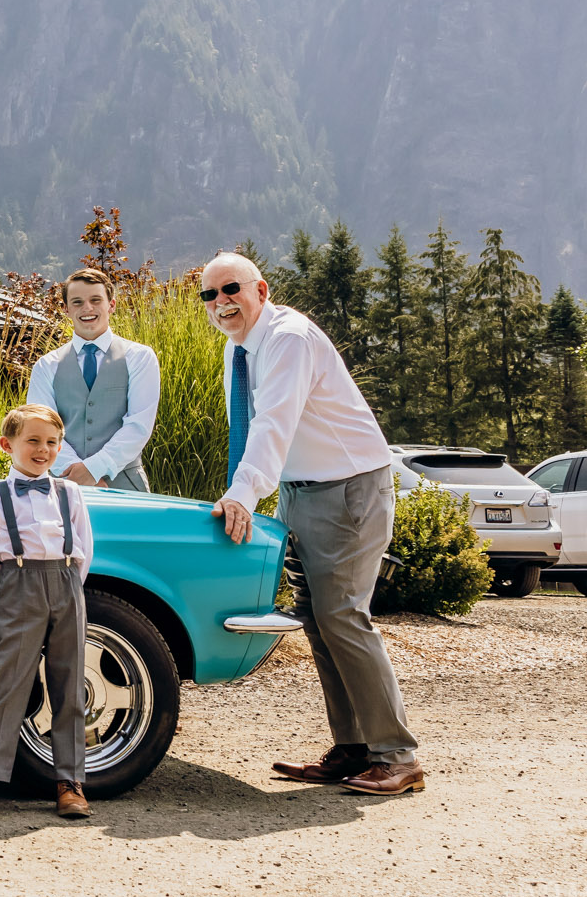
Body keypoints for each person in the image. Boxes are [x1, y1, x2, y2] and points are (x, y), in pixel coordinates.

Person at [204, 252, 424, 797]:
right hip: (302, 491)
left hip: (347, 489)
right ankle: (353, 749)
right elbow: (257, 428)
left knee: (344, 617)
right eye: (209, 296)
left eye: (230, 289)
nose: (220, 302)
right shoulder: (240, 349)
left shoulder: (288, 339)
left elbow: (274, 421)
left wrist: (242, 493)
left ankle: (397, 756)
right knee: (317, 620)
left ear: (261, 288)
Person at [0, 405, 95, 821]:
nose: (43, 450)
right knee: (8, 681)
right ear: (8, 445)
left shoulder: (69, 493)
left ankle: (70, 782)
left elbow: (84, 550)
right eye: (33, 441)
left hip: (65, 583)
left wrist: (68, 587)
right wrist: (9, 598)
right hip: (18, 586)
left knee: (70, 683)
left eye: (51, 443)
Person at [25, 269, 158, 490]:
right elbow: (40, 429)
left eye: (95, 300)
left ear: (111, 305)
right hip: (63, 483)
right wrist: (74, 471)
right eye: (77, 302)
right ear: (66, 309)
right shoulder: (46, 366)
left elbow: (138, 426)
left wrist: (94, 470)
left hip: (126, 486)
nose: (87, 308)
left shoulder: (140, 357)